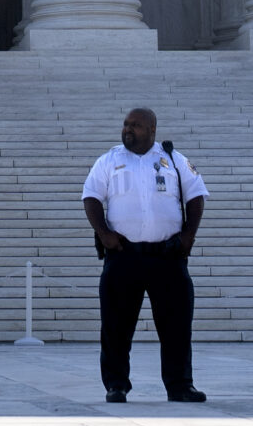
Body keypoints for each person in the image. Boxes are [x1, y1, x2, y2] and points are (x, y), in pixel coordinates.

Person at [81, 107, 207, 405]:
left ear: (152, 129)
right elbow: (91, 197)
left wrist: (188, 235)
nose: (128, 129)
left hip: (167, 256)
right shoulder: (109, 160)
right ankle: (116, 384)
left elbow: (196, 195)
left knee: (176, 326)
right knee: (116, 327)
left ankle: (180, 385)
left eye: (135, 125)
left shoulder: (174, 160)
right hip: (123, 255)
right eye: (125, 124)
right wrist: (104, 233)